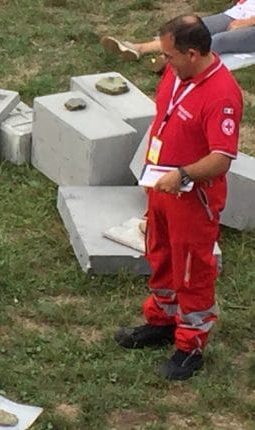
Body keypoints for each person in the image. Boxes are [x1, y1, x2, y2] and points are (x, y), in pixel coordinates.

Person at [114, 15, 242, 380]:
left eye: (169, 56)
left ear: (192, 53)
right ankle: (162, 321)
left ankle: (191, 346)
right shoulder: (178, 73)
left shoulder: (222, 95)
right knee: (161, 254)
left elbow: (221, 158)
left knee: (191, 269)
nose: (163, 62)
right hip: (161, 186)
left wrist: (183, 175)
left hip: (191, 196)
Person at [102, 0, 255, 67]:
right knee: (191, 28)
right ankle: (138, 48)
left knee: (218, 41)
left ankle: (168, 61)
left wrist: (248, 22)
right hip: (238, 13)